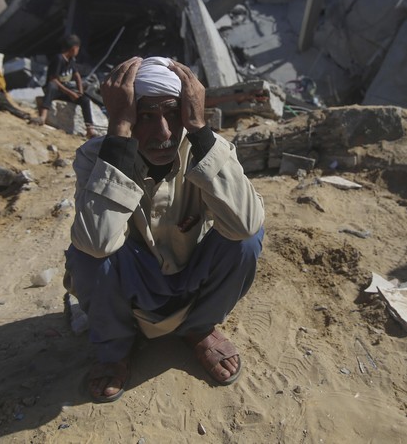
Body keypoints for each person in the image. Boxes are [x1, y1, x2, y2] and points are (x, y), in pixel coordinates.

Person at [64, 56, 265, 403]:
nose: (163, 133)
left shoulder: (204, 148)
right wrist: (119, 134)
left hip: (190, 273)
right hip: (134, 278)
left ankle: (199, 328)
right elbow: (96, 242)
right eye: (144, 116)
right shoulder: (95, 157)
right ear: (124, 115)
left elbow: (246, 223)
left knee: (246, 240)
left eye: (173, 113)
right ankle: (115, 349)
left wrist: (200, 129)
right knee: (88, 256)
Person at [32, 34, 99, 138]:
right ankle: (42, 117)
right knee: (51, 86)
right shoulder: (58, 59)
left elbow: (76, 75)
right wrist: (70, 93)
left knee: (85, 99)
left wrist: (79, 91)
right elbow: (53, 79)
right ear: (74, 48)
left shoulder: (71, 60)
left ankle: (90, 129)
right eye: (78, 48)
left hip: (65, 90)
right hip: (56, 90)